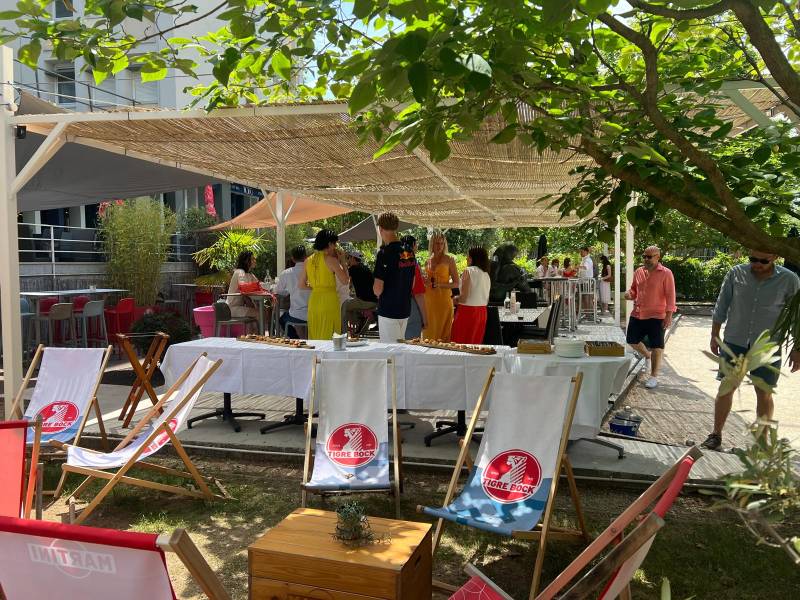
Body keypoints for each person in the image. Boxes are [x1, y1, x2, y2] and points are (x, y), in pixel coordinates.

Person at [702, 250, 800, 451]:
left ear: (775, 256)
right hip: (735, 340)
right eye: (753, 259)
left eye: (763, 260)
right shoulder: (736, 273)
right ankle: (716, 435)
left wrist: (797, 348)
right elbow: (722, 304)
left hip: (767, 346)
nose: (757, 264)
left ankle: (761, 443)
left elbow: (797, 316)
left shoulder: (790, 280)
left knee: (764, 393)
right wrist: (715, 334)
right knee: (726, 388)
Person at [624, 245, 676, 390]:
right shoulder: (639, 271)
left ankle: (653, 376)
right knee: (631, 340)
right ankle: (647, 355)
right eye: (644, 256)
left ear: (658, 257)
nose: (646, 259)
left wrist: (669, 315)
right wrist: (630, 294)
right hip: (638, 313)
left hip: (657, 315)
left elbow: (671, 296)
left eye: (649, 256)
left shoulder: (666, 273)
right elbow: (634, 289)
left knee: (657, 346)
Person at [373, 212, 417, 342]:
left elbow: (377, 289)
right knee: (400, 349)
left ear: (380, 229)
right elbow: (412, 283)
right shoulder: (408, 251)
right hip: (404, 308)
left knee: (390, 353)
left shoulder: (384, 253)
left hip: (389, 310)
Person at [300, 229, 349, 339]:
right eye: (335, 244)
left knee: (315, 337)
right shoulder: (332, 260)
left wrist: (316, 288)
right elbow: (345, 281)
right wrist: (343, 262)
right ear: (330, 244)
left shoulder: (308, 260)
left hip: (314, 301)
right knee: (330, 337)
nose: (336, 247)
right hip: (329, 301)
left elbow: (301, 285)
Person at [423, 231, 459, 341]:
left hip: (444, 301)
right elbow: (427, 281)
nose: (439, 246)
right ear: (431, 244)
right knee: (429, 334)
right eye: (437, 243)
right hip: (429, 302)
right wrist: (424, 281)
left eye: (441, 243)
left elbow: (456, 283)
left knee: (444, 335)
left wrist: (439, 285)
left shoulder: (449, 260)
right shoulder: (427, 261)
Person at [451, 247, 491, 344]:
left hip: (467, 312)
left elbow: (464, 298)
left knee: (458, 344)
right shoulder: (486, 274)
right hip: (482, 312)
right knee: (475, 345)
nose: (466, 258)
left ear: (473, 258)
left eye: (468, 256)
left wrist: (454, 299)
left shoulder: (468, 271)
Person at [275, 245, 310, 338]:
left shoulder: (286, 273)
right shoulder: (313, 271)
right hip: (314, 313)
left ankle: (296, 339)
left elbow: (279, 291)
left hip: (296, 314)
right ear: (306, 257)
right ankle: (304, 338)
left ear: (293, 259)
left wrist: (289, 290)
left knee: (282, 319)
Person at [341, 249, 378, 334]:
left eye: (349, 258)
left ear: (353, 259)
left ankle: (344, 333)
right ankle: (361, 319)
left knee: (344, 306)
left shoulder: (353, 269)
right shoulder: (365, 268)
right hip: (373, 300)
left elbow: (345, 280)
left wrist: (342, 261)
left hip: (365, 301)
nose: (348, 260)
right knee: (351, 305)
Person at [401, 234, 428, 339]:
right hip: (410, 306)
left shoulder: (395, 260)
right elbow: (419, 294)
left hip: (393, 306)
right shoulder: (412, 263)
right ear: (413, 245)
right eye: (416, 244)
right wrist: (425, 319)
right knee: (410, 345)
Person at [226, 251, 260, 326]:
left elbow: (259, 286)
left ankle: (259, 336)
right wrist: (250, 302)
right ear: (246, 261)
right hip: (232, 308)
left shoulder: (249, 274)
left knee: (265, 311)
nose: (255, 260)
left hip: (240, 307)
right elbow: (244, 288)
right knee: (259, 313)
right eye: (252, 259)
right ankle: (259, 336)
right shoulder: (239, 272)